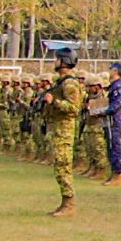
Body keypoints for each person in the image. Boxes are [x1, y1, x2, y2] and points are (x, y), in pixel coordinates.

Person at [40, 46, 84, 214]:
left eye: (57, 59)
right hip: (58, 128)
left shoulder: (70, 83)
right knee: (59, 166)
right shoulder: (61, 82)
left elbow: (74, 108)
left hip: (64, 129)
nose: (55, 62)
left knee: (63, 165)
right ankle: (65, 201)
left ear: (64, 61)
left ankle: (69, 202)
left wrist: (54, 102)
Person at [103, 61, 121, 186]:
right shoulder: (113, 85)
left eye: (111, 69)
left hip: (115, 120)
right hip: (111, 120)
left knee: (116, 146)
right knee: (111, 146)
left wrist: (105, 110)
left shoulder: (118, 85)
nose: (109, 71)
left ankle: (118, 173)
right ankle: (114, 172)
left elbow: (116, 103)